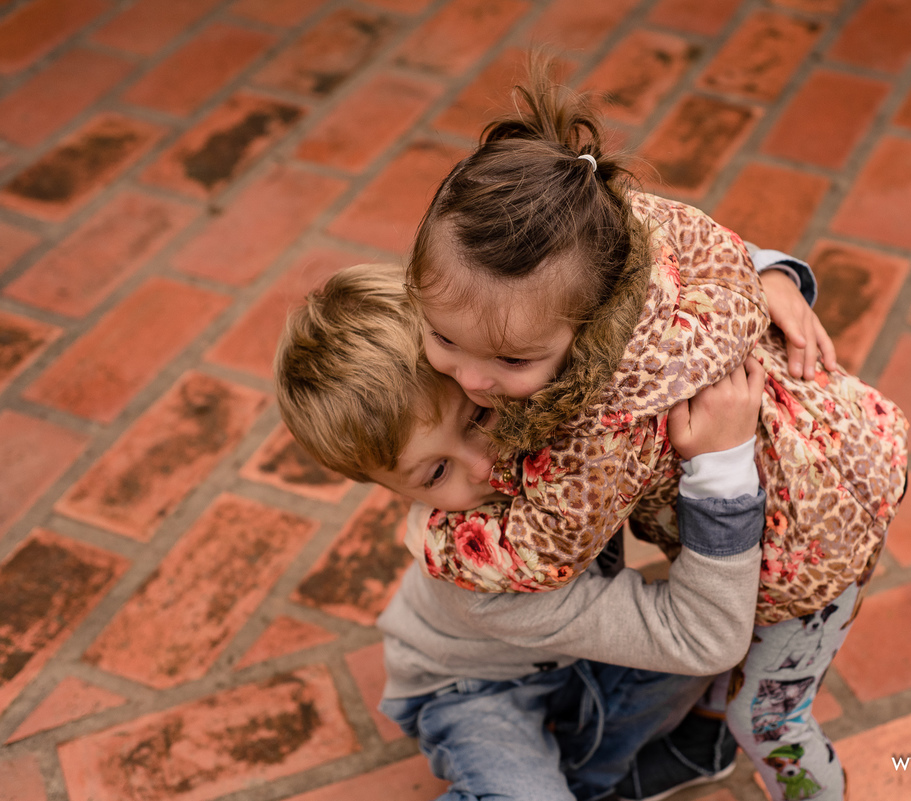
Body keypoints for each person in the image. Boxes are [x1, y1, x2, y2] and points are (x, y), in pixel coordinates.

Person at [398, 66, 909, 800]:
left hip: (811, 552)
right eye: (444, 339)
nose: (473, 380)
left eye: (511, 360)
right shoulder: (623, 222)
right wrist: (776, 272)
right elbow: (723, 251)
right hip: (848, 439)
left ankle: (815, 790)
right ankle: (700, 750)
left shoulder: (609, 420)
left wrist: (434, 534)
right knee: (732, 676)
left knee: (766, 715)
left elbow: (542, 553)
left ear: (593, 311)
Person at [275, 264, 769, 801]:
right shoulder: (483, 572)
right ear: (397, 491)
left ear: (482, 363)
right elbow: (704, 637)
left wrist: (768, 277)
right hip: (469, 687)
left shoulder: (552, 388)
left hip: (568, 654)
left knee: (749, 600)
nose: (484, 467)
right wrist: (723, 472)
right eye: (436, 473)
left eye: (477, 418)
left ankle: (590, 780)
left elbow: (639, 266)